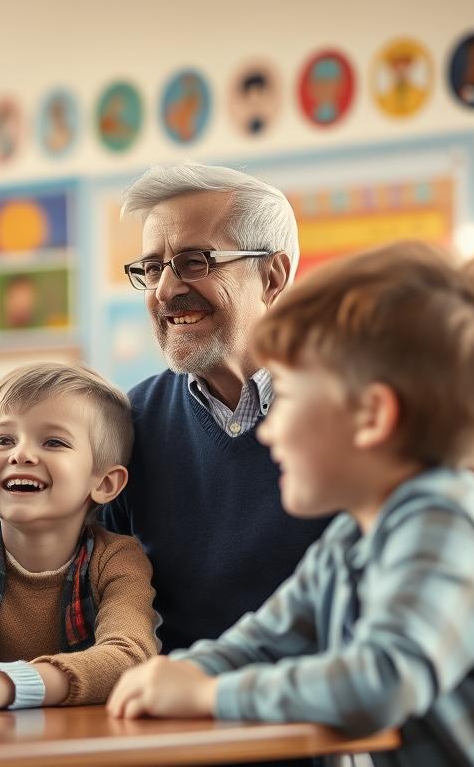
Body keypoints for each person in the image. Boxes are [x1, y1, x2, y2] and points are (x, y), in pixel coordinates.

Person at [107, 242, 474, 765]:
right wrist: (183, 673)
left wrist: (210, 695)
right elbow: (263, 641)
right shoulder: (354, 536)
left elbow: (381, 683)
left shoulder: (445, 520)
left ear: (372, 416)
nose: (271, 429)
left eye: (292, 399)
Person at [101, 163, 328, 653]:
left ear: (273, 276)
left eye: (194, 261)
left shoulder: (351, 414)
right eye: (152, 267)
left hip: (322, 710)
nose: (164, 290)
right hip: (179, 709)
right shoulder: (124, 424)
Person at [0, 363, 157, 711]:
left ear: (105, 483)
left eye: (53, 441)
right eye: (3, 439)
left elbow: (130, 656)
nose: (20, 454)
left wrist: (2, 684)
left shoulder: (116, 559)